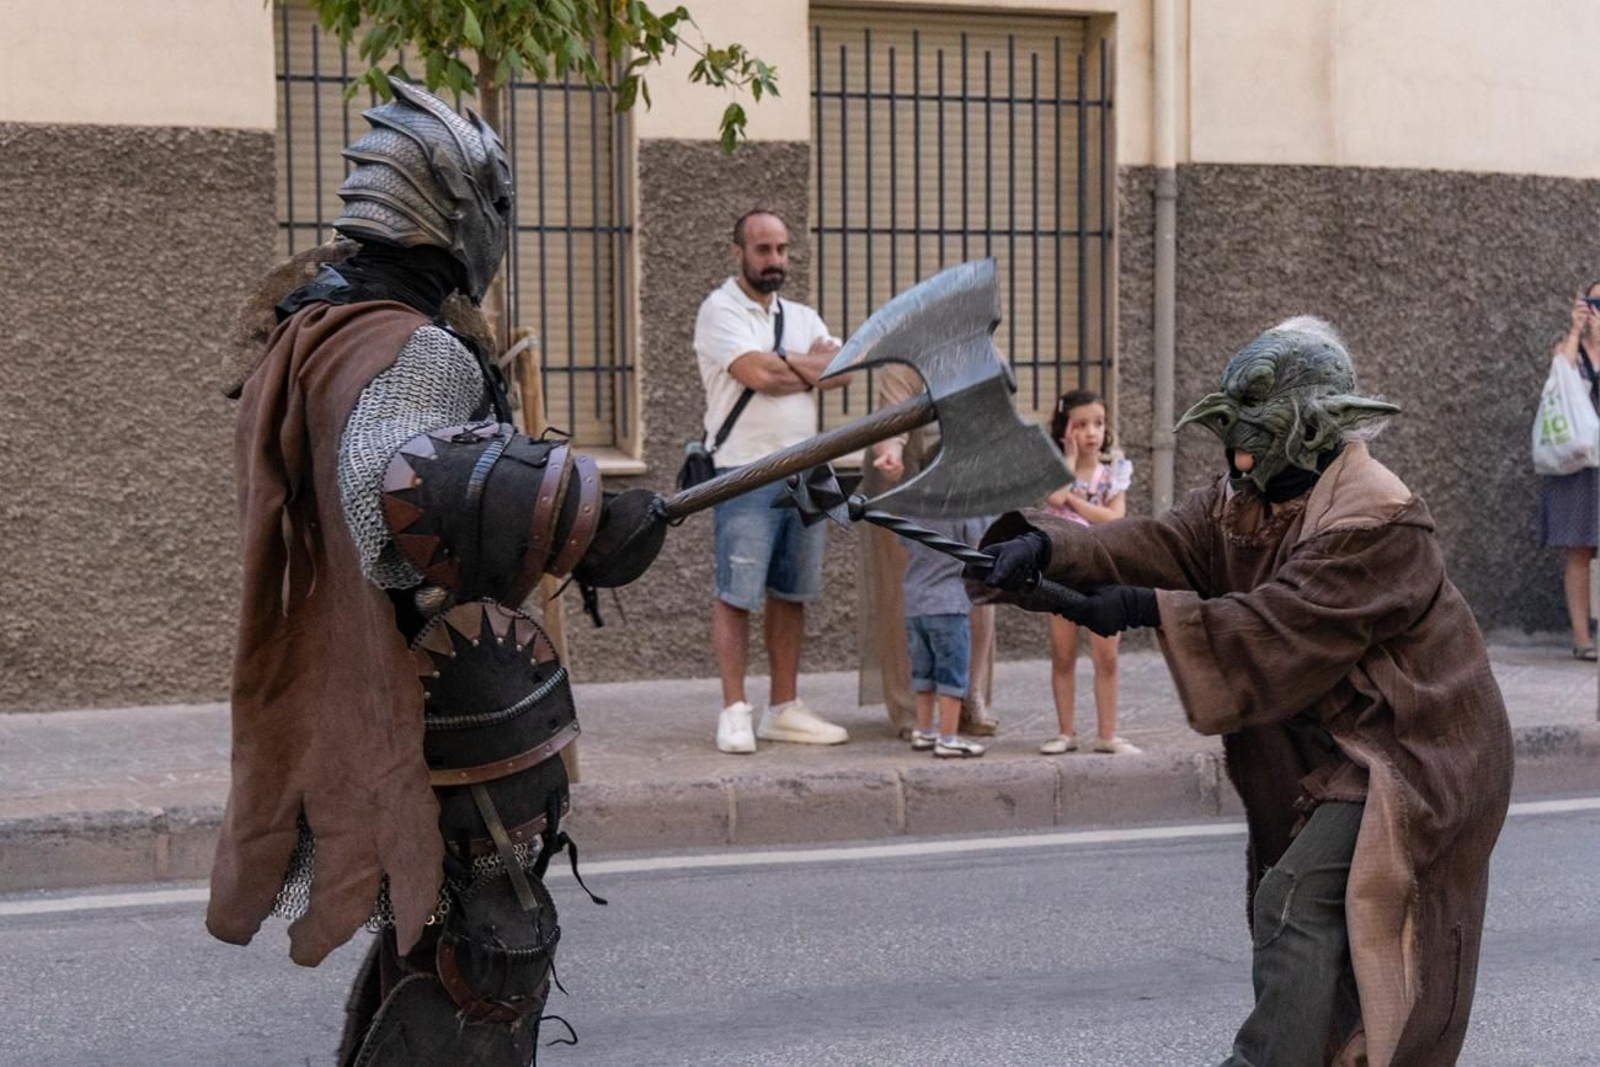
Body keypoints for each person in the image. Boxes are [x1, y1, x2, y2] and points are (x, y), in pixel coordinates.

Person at [209, 79, 666, 1065]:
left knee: (433, 932)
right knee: (487, 952)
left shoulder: (315, 327)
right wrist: (576, 512)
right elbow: (391, 505)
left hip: (382, 677)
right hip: (446, 703)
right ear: (455, 206)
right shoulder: (412, 347)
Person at [977, 317, 1513, 1066]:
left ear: (1314, 427)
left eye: (1255, 434)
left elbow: (1282, 621)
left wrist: (1137, 607)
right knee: (1315, 932)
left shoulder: (1379, 517)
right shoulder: (1242, 496)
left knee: (1299, 900)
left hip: (1417, 744)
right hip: (1344, 740)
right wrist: (1047, 547)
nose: (1240, 454)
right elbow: (1156, 543)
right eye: (1233, 436)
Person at [694, 210, 852, 753]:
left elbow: (846, 371)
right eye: (763, 250)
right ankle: (734, 710)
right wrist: (805, 366)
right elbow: (757, 375)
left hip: (809, 467)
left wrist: (785, 362)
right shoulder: (719, 310)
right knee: (736, 593)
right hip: (744, 469)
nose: (775, 261)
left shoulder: (803, 314)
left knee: (793, 592)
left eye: (782, 249)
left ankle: (783, 708)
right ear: (737, 252)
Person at [862, 361, 1001, 738]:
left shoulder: (980, 345)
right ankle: (911, 707)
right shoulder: (904, 356)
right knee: (908, 588)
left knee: (978, 581)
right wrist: (890, 452)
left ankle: (969, 695)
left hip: (968, 467)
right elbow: (891, 416)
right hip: (902, 473)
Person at [1038, 389, 1139, 755]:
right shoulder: (1055, 469)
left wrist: (1076, 502)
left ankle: (1107, 734)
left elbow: (1114, 518)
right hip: (1062, 570)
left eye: (1098, 422)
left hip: (1103, 569)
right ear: (1065, 429)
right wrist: (1067, 456)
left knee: (1106, 655)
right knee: (1063, 653)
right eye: (1080, 425)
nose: (1092, 432)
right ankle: (1066, 732)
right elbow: (1053, 497)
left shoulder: (1114, 471)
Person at [1540, 284, 1600, 660]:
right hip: (1579, 461)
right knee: (1579, 548)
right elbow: (1557, 379)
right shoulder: (1571, 350)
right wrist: (1576, 331)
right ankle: (1583, 639)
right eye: (1593, 302)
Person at [899, 510, 990, 759]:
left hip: (915, 603)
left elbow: (904, 540)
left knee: (923, 671)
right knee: (952, 671)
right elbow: (979, 540)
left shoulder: (914, 507)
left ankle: (924, 729)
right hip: (948, 603)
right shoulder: (961, 509)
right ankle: (948, 737)